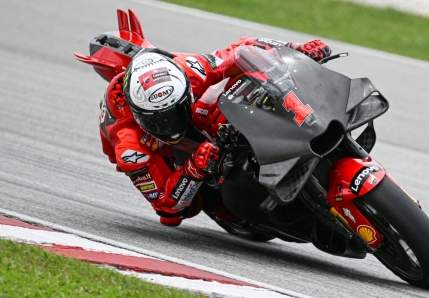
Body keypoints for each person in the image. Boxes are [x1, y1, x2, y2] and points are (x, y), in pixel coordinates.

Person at [98, 36, 332, 227]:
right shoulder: (130, 147)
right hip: (157, 151)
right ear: (139, 115)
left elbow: (242, 50)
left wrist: (295, 49)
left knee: (228, 97)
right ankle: (232, 207)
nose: (171, 125)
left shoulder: (190, 70)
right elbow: (167, 209)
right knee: (193, 206)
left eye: (175, 113)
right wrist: (193, 169)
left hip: (186, 97)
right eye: (160, 122)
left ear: (186, 90)